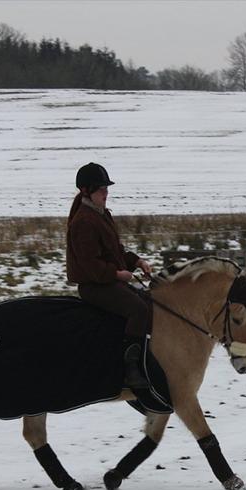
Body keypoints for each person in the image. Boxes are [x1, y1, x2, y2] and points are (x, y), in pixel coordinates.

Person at [66, 162, 153, 390]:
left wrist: (137, 262)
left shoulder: (100, 215)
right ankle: (130, 370)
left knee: (149, 302)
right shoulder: (83, 222)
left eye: (106, 189)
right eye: (101, 190)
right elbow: (90, 264)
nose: (106, 193)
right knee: (139, 310)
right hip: (95, 286)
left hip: (108, 281)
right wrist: (117, 274)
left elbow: (116, 251)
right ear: (87, 191)